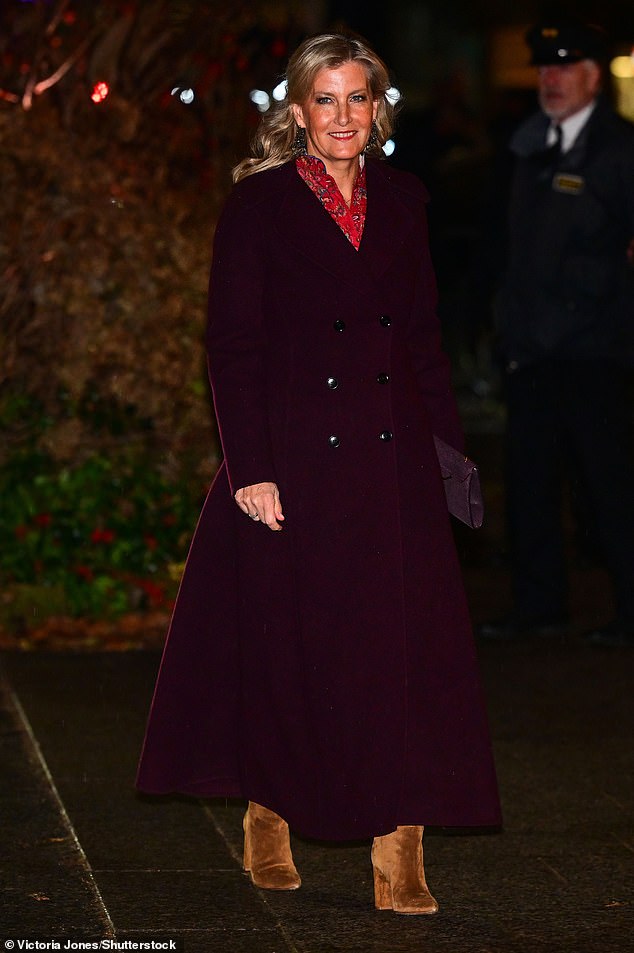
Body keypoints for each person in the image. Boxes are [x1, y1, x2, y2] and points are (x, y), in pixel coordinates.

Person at [136, 32, 501, 915]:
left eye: (358, 98)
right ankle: (269, 815)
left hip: (393, 459)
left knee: (403, 656)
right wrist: (249, 468)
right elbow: (234, 345)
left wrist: (451, 456)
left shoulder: (408, 199)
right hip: (294, 462)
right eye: (326, 100)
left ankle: (400, 847)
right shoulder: (258, 207)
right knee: (293, 649)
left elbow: (419, 342)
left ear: (380, 109)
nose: (343, 117)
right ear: (297, 112)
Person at [478, 21, 634, 648]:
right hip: (533, 349)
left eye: (564, 69)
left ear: (594, 77)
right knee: (529, 484)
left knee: (610, 487)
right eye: (544, 69)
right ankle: (538, 605)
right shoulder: (528, 145)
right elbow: (510, 244)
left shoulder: (620, 151)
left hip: (597, 352)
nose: (551, 80)